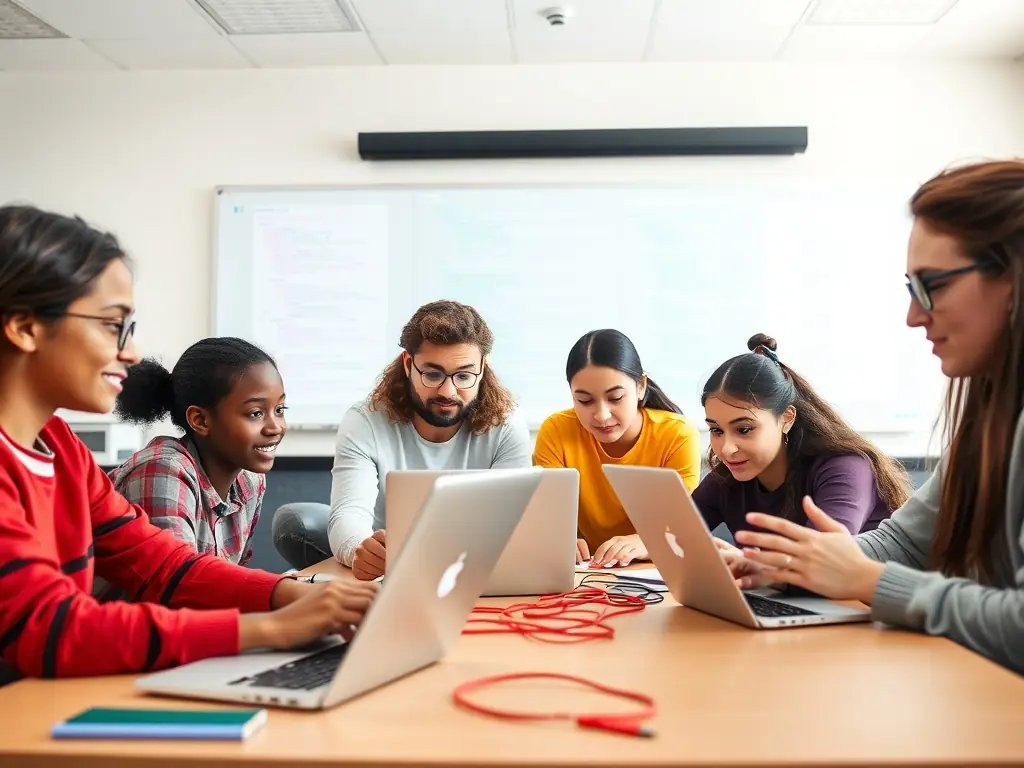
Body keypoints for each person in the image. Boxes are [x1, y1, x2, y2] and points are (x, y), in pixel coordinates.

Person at [0, 204, 377, 683]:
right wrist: (269, 629)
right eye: (112, 325)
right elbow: (51, 630)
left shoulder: (60, 448)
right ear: (25, 327)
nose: (132, 352)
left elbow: (164, 564)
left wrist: (290, 595)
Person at [730, 159, 1024, 675]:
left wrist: (867, 581)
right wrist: (793, 565)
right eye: (911, 289)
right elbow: (904, 542)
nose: (914, 315)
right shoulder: (991, 415)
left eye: (932, 286)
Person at [272, 300, 531, 580]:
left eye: (464, 375)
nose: (448, 390)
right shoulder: (365, 421)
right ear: (408, 364)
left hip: (479, 573)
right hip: (392, 574)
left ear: (483, 367)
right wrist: (359, 549)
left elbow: (514, 524)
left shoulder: (506, 424)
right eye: (432, 374)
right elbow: (349, 515)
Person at [694, 333, 911, 559]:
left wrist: (746, 562)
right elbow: (673, 536)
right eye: (716, 430)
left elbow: (824, 562)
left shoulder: (845, 468)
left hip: (863, 594)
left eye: (744, 429)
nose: (727, 449)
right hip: (777, 595)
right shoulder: (727, 477)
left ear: (786, 419)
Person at [108, 337, 286, 567]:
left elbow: (234, 581)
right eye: (255, 413)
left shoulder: (250, 481)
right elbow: (177, 584)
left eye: (280, 409)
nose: (275, 427)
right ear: (200, 420)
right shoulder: (161, 471)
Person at [533, 329, 701, 568]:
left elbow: (686, 526)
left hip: (657, 570)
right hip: (588, 573)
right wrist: (557, 540)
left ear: (640, 386)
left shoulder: (678, 435)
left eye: (615, 398)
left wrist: (647, 542)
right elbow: (547, 518)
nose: (601, 415)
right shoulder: (556, 430)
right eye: (584, 401)